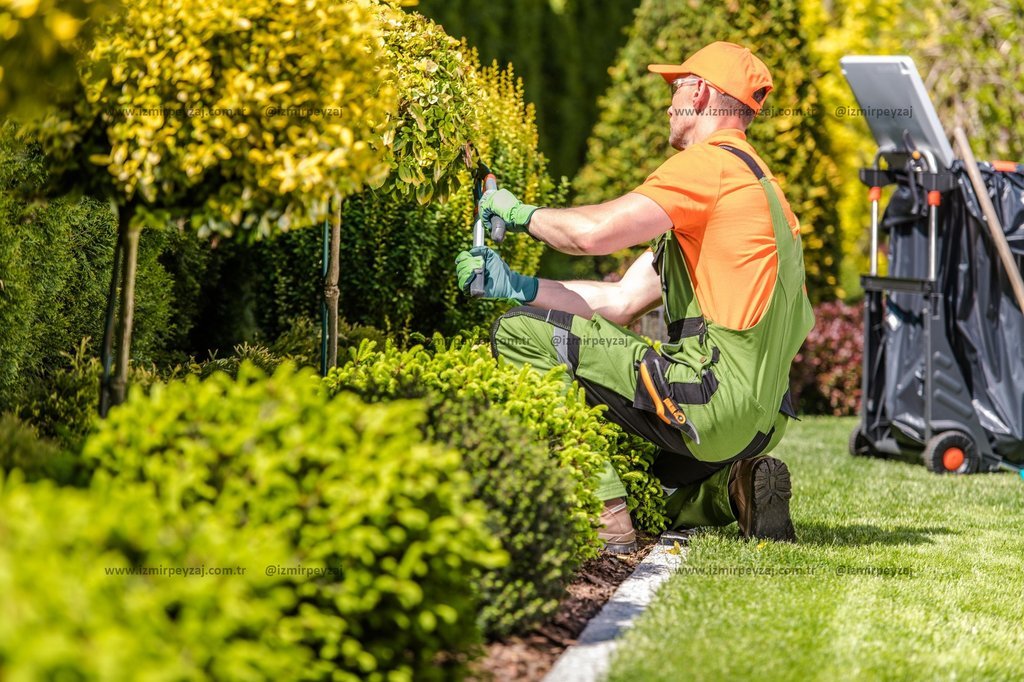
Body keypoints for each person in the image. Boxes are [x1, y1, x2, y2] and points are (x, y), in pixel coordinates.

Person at [454, 41, 814, 552]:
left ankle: (603, 517)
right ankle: (729, 490)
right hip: (759, 422)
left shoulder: (708, 165)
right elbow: (621, 300)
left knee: (516, 332)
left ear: (703, 93)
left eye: (676, 88)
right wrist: (517, 286)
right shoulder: (762, 191)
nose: (668, 103)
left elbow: (591, 235)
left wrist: (518, 213)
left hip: (709, 400)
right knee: (636, 468)